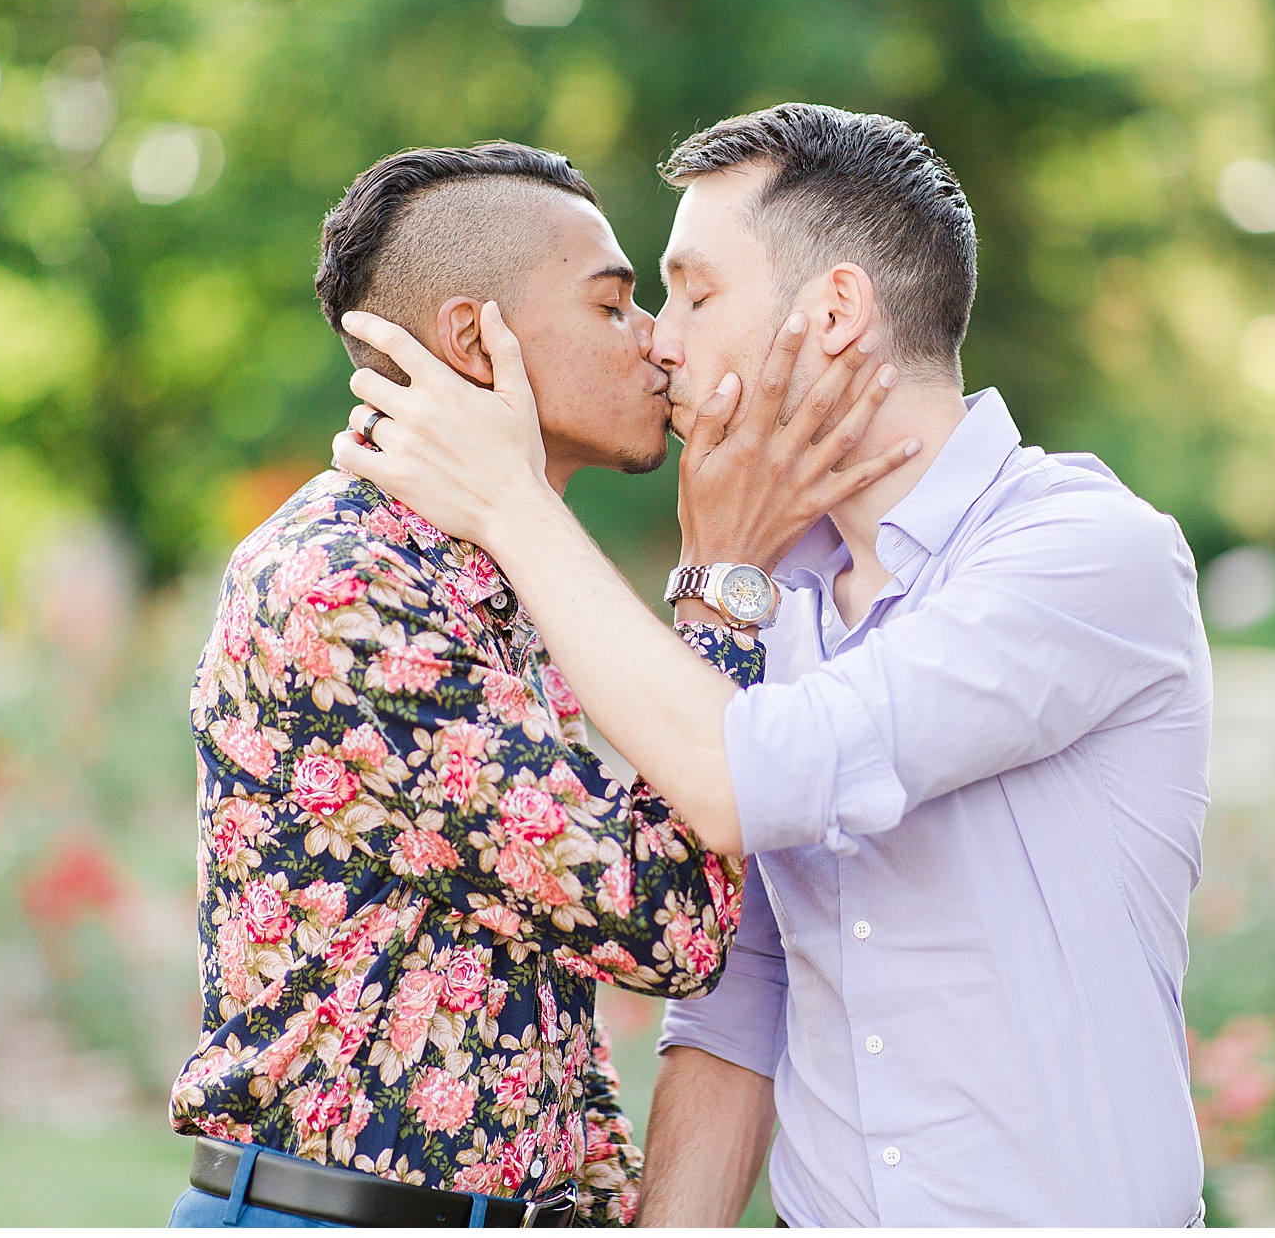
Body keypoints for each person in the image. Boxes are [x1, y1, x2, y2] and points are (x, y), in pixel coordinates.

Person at [331, 103, 1213, 1226]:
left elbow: (758, 772)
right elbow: (735, 997)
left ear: (833, 311)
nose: (658, 337)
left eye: (695, 292)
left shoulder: (1082, 550)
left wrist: (512, 503)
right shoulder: (769, 600)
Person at [165, 140, 911, 1228]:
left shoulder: (483, 576)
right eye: (612, 307)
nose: (657, 340)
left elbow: (531, 1000)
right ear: (478, 339)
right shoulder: (348, 579)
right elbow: (661, 924)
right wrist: (719, 588)